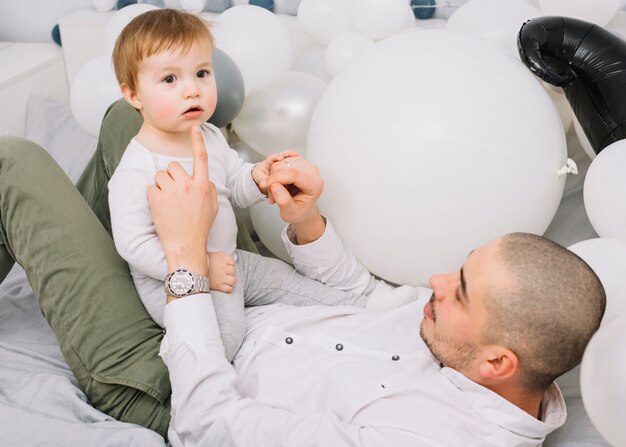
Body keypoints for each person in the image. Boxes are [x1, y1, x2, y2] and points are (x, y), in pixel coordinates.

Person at [148, 126, 606, 446]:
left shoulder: (427, 437)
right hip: (240, 292)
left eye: (459, 291)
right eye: (462, 267)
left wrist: (184, 255)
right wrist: (305, 220)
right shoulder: (467, 335)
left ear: (498, 362)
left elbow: (204, 425)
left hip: (180, 372)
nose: (435, 283)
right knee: (148, 119)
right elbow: (364, 296)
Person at [107, 9, 401, 361]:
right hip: (171, 278)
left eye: (202, 73)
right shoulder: (137, 169)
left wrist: (258, 178)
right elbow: (134, 246)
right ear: (133, 94)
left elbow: (233, 180)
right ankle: (176, 362)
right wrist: (201, 268)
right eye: (170, 80)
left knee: (312, 293)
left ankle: (377, 314)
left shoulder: (210, 136)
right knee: (226, 340)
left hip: (234, 261)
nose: (192, 90)